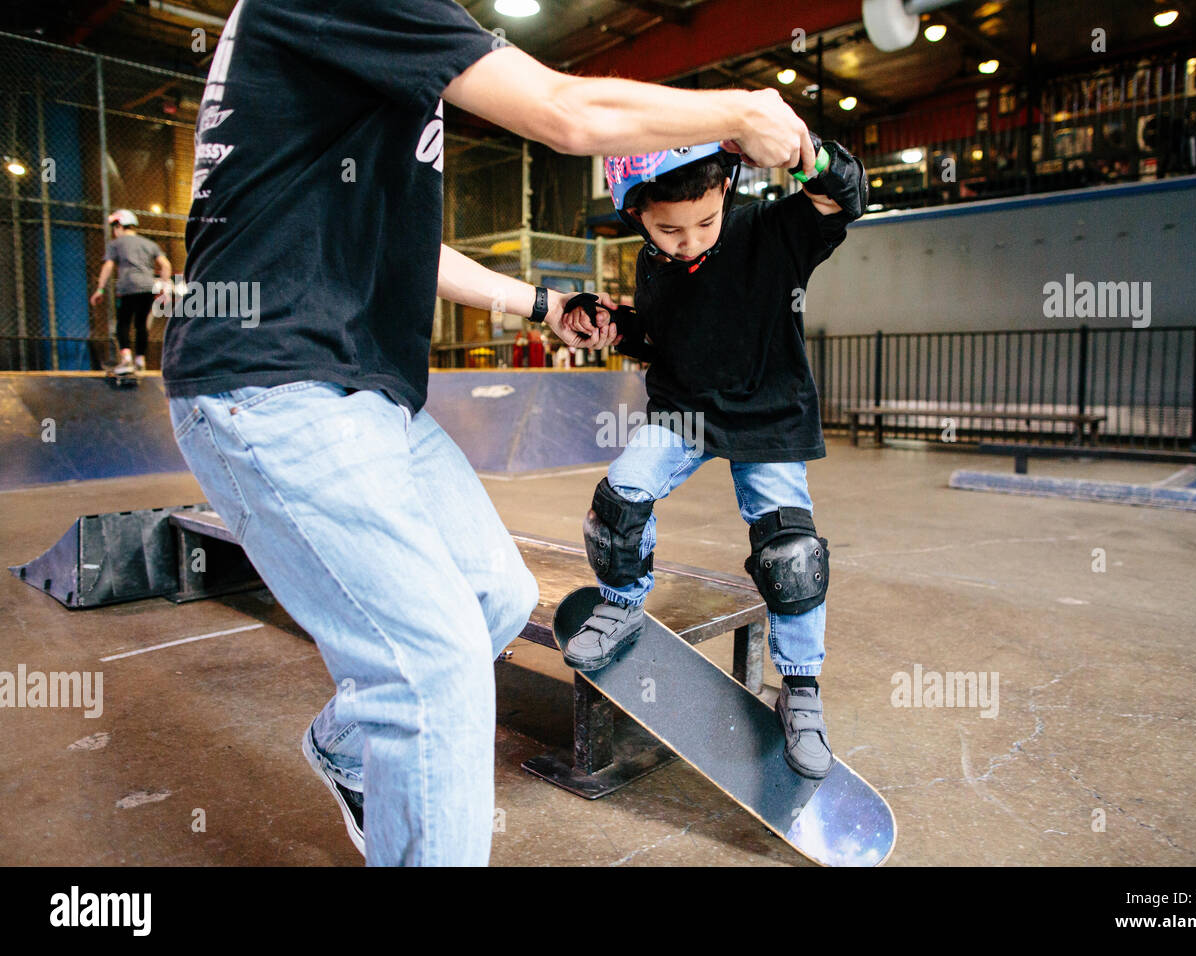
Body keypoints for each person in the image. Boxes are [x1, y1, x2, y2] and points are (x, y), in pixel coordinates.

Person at [161, 0, 814, 866]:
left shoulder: (368, 44)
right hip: (275, 382)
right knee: (432, 670)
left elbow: (410, 245)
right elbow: (563, 111)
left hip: (372, 396)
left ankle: (352, 748)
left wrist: (542, 305)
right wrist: (736, 112)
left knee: (496, 601)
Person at [561, 139, 867, 779]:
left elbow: (847, 195)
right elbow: (668, 334)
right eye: (668, 230)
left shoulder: (772, 231)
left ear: (726, 191)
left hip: (768, 414)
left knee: (792, 555)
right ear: (636, 213)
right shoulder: (653, 264)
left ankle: (801, 691)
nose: (689, 241)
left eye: (705, 221)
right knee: (617, 505)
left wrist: (802, 149)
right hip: (684, 412)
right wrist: (618, 324)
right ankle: (621, 605)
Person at [90, 209, 171, 373]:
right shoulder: (149, 244)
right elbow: (165, 265)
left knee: (123, 323)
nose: (114, 232)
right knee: (142, 324)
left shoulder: (115, 244)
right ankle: (141, 360)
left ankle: (126, 359)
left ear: (120, 225)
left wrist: (100, 289)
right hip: (147, 288)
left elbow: (108, 265)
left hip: (128, 288)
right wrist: (165, 288)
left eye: (114, 228)